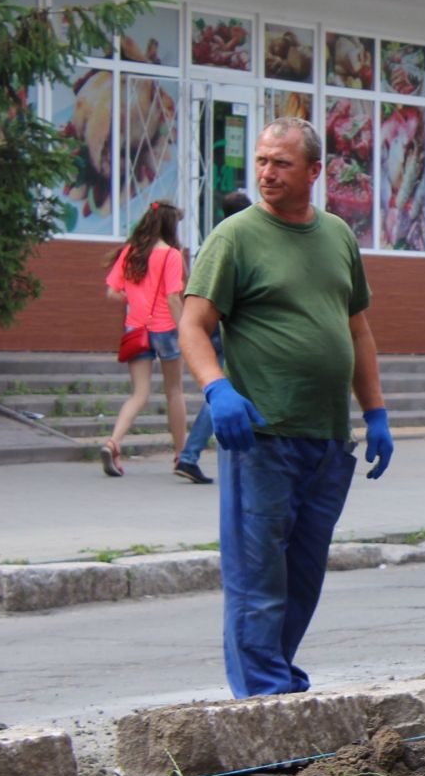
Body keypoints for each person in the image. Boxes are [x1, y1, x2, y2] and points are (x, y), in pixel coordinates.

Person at [178, 117, 395, 698]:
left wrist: (375, 412)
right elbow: (193, 325)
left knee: (303, 573)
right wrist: (217, 388)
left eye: (281, 163)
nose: (267, 173)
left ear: (315, 171)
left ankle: (277, 676)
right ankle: (263, 696)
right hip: (262, 434)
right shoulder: (235, 236)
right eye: (262, 161)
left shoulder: (337, 236)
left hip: (326, 438)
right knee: (257, 575)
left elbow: (357, 329)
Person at [101, 201, 188, 477]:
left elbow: (112, 293)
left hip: (135, 329)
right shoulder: (172, 255)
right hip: (166, 329)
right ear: (170, 225)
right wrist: (185, 329)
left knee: (139, 393)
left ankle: (113, 443)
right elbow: (173, 298)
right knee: (174, 392)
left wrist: (136, 299)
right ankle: (182, 455)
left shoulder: (131, 252)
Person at [174, 190, 253, 485]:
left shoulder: (215, 239)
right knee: (222, 390)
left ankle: (194, 456)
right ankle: (190, 455)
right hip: (224, 327)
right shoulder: (235, 241)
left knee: (226, 389)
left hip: (215, 325)